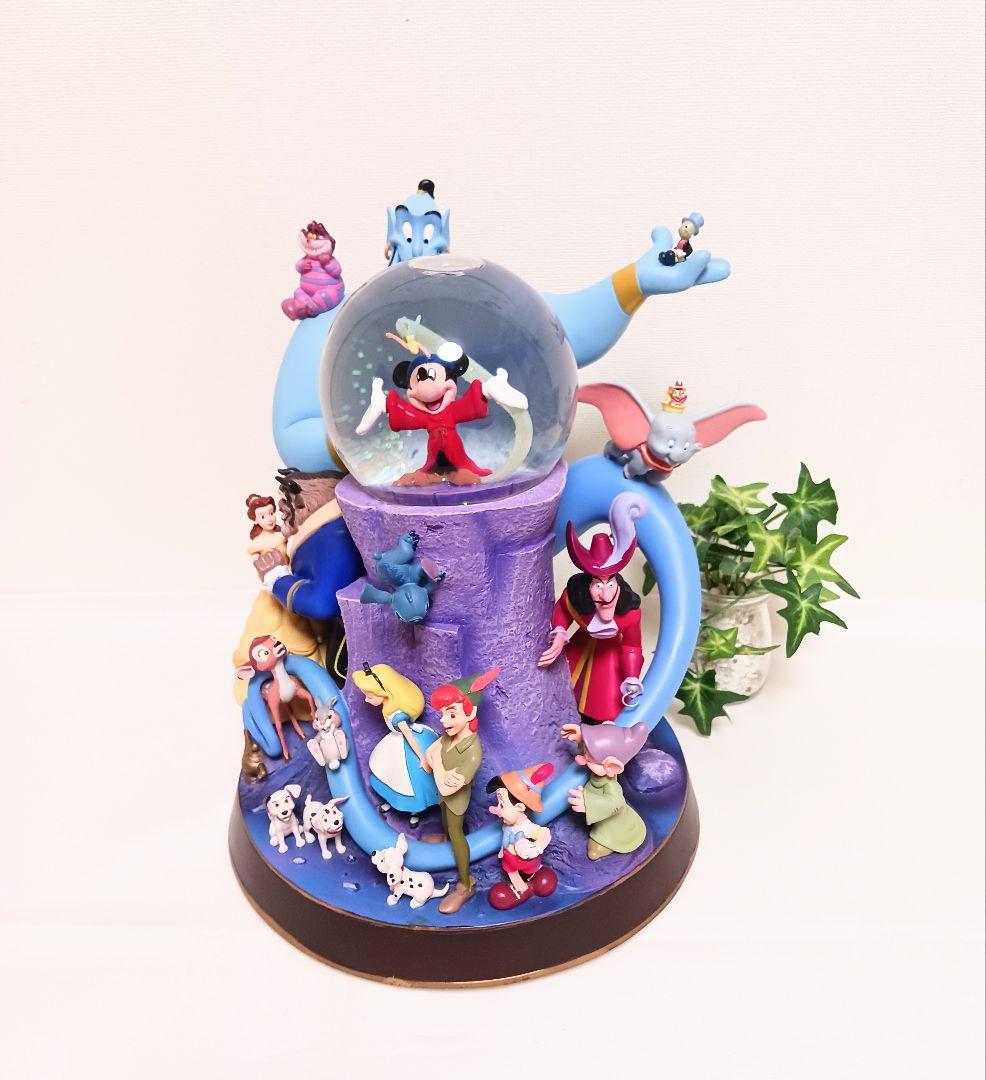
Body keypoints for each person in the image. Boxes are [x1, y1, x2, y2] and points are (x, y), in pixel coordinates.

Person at [538, 493, 647, 724]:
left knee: (602, 702)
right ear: (589, 583)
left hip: (608, 659)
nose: (605, 595)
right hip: (578, 650)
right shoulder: (577, 599)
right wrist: (559, 633)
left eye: (610, 583)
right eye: (598, 584)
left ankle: (594, 728)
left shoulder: (629, 613)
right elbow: (563, 610)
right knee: (561, 692)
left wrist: (631, 676)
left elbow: (632, 646)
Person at [423, 668, 500, 914]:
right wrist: (433, 759)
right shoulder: (449, 736)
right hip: (444, 798)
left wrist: (436, 763)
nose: (443, 721)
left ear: (471, 713)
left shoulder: (473, 751)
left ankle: (466, 884)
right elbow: (428, 755)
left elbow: (447, 786)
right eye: (443, 714)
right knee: (446, 822)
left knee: (456, 832)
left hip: (456, 799)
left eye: (452, 714)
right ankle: (446, 839)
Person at [351, 663, 439, 826]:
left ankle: (414, 811)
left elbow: (410, 738)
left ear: (385, 693)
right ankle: (392, 801)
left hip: (408, 748)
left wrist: (422, 758)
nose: (366, 699)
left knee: (411, 782)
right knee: (391, 775)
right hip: (395, 743)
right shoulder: (389, 707)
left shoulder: (398, 716)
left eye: (370, 696)